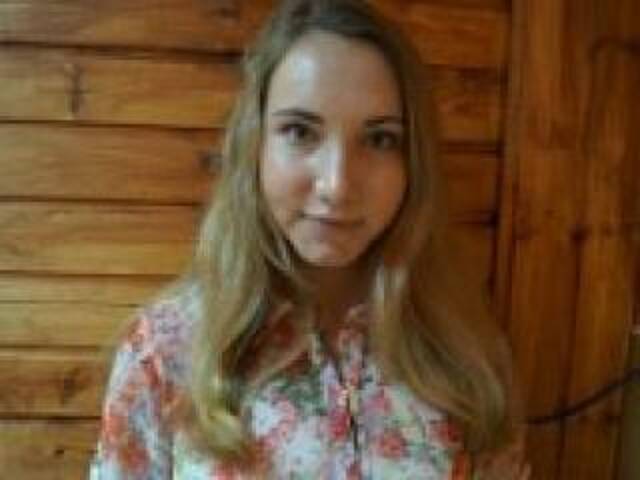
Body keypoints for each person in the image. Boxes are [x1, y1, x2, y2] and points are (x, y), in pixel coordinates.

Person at [90, 0, 530, 478]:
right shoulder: (164, 351)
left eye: (379, 139)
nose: (337, 185)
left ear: (412, 163)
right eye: (300, 132)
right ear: (256, 145)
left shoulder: (469, 360)